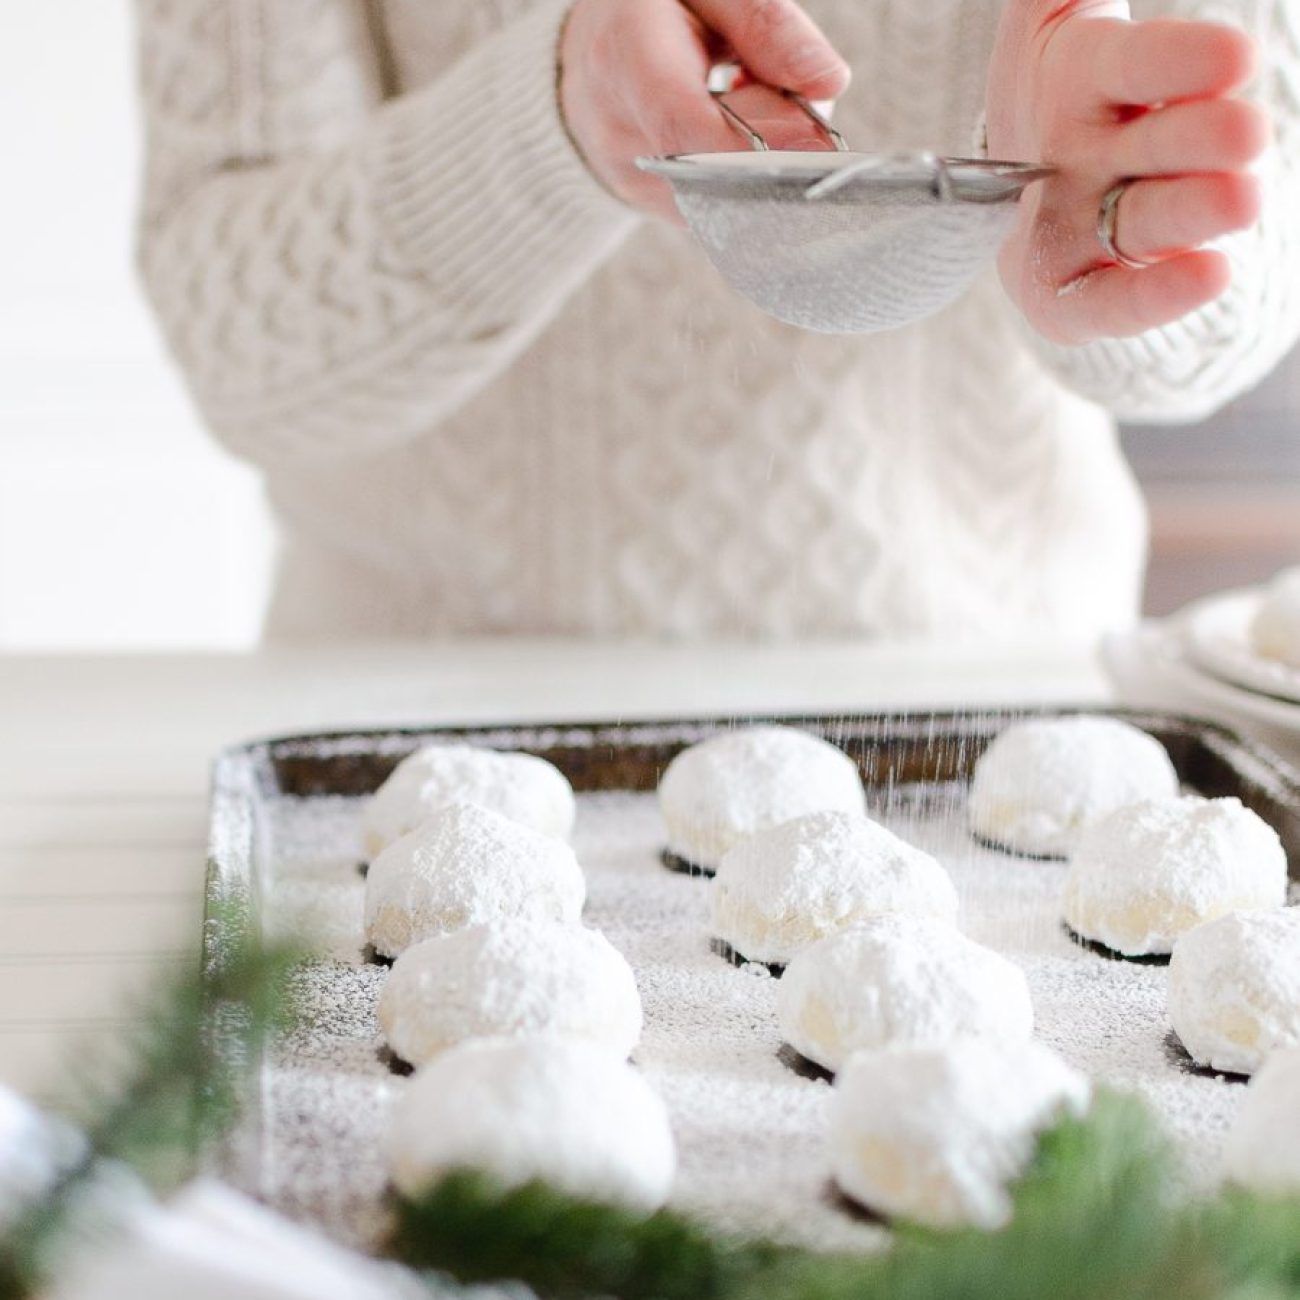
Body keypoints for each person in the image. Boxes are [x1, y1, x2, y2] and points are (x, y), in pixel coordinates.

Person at [134, 0, 1299, 641]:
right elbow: (240, 353)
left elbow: (1242, 281)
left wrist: (1111, 223)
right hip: (411, 726)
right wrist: (559, 119)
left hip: (983, 714)